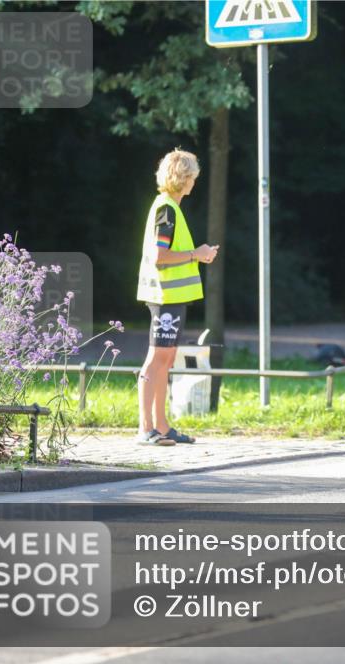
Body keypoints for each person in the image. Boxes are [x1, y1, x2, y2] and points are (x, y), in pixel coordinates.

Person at [135, 149, 219, 445]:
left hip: (171, 296)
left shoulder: (170, 207)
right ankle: (146, 428)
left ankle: (162, 426)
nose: (194, 182)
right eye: (192, 176)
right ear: (183, 178)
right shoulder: (166, 209)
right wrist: (197, 254)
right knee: (157, 358)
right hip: (164, 296)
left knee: (166, 359)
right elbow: (161, 256)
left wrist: (198, 255)